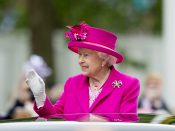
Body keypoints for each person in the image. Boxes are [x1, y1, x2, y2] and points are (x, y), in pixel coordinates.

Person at [26, 22, 140, 122]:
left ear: (104, 58)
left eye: (85, 55)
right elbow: (54, 117)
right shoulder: (73, 83)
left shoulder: (128, 84)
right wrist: (40, 97)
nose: (80, 60)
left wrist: (104, 121)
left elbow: (129, 123)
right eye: (79, 55)